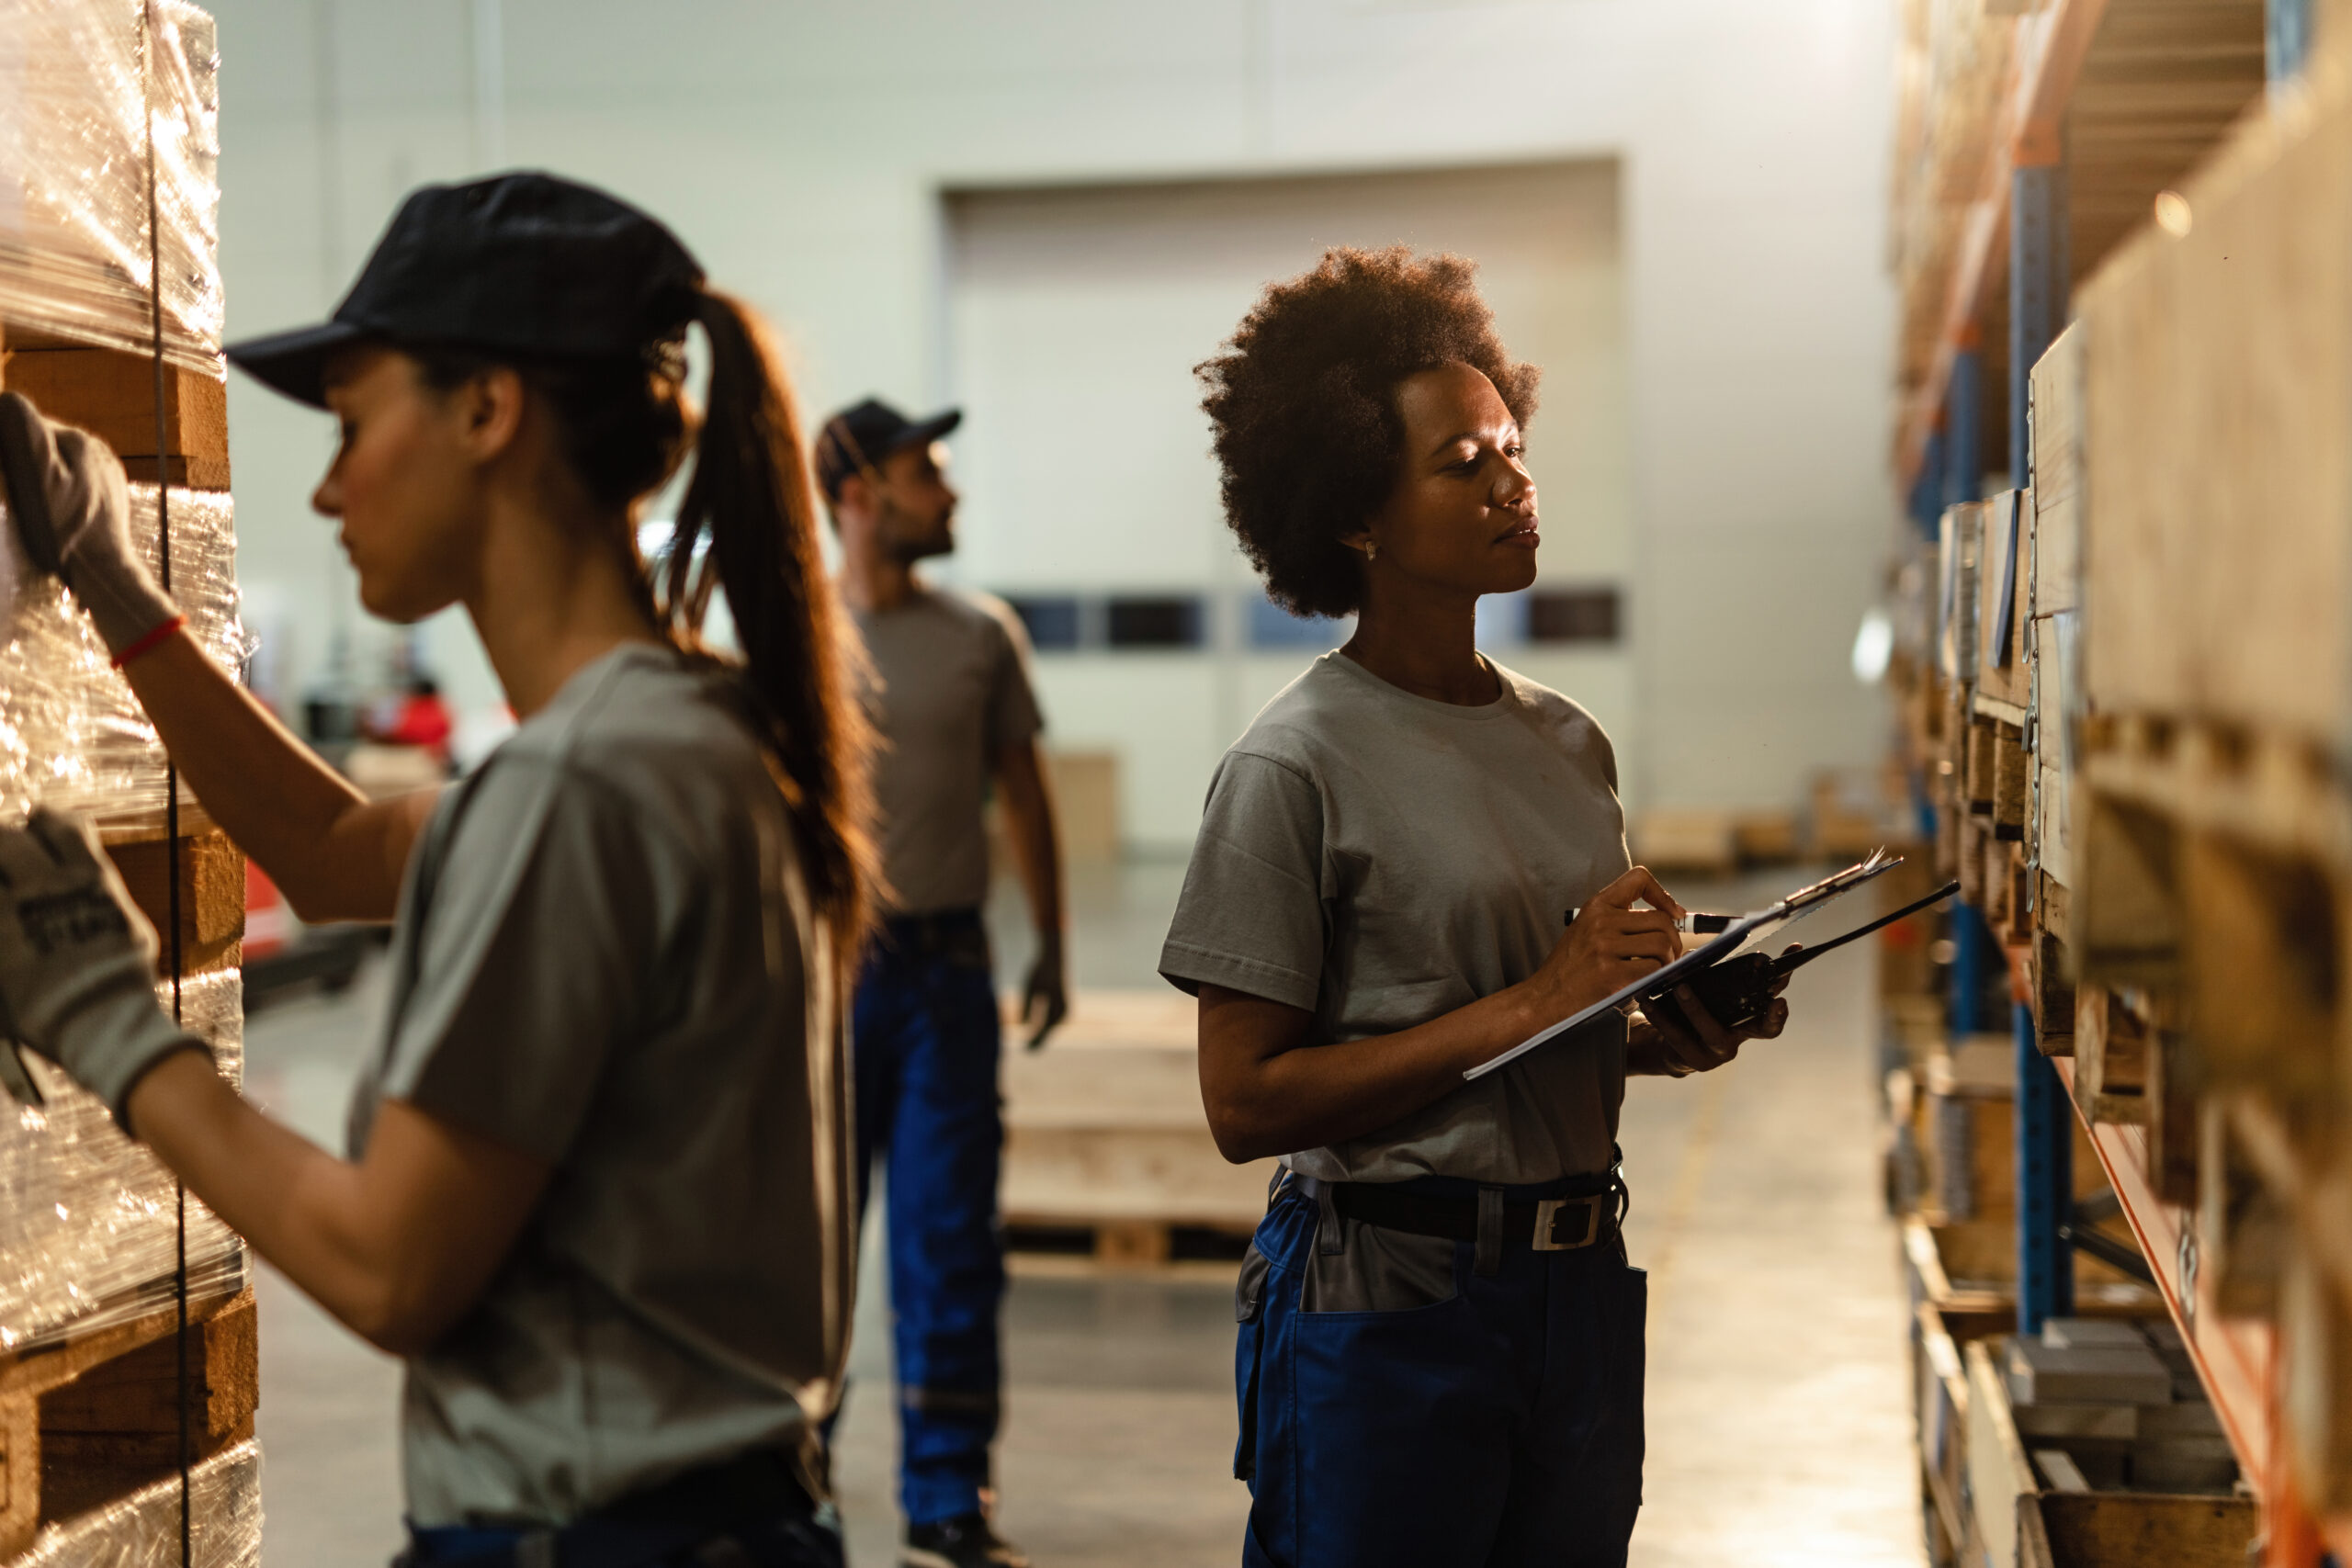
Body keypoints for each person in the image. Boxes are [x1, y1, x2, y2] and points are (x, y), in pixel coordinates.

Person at [0, 173, 872, 1568]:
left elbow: (387, 1263)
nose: (329, 484)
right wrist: (116, 584)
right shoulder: (690, 736)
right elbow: (338, 852)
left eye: (352, 427)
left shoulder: (582, 787)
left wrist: (102, 1016)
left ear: (488, 410)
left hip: (599, 1541)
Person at [1159, 246, 1793, 1568]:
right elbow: (1246, 1102)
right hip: (1388, 1309)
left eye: (1513, 444)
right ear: (1356, 516)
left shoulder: (1570, 746)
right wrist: (1542, 997)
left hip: (1574, 1289)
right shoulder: (1294, 767)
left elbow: (1545, 1028)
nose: (1516, 483)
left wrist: (1649, 1028)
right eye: (1465, 464)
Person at [815, 397, 1066, 1568]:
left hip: (946, 979)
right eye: (929, 473)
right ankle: (791, 1477)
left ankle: (947, 1496)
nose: (950, 492)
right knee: (804, 1245)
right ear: (859, 494)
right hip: (817, 983)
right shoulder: (792, 634)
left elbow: (1024, 794)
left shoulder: (981, 634)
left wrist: (1053, 947)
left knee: (946, 1241)